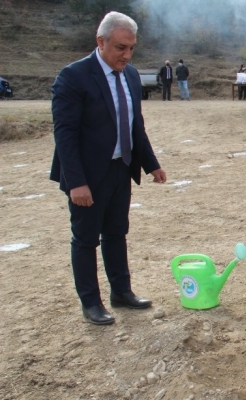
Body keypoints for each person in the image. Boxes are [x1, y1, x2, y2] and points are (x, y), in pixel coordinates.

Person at [50, 11, 167, 325]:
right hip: (87, 175)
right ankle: (91, 302)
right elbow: (65, 135)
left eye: (131, 48)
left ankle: (121, 292)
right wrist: (76, 182)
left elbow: (135, 126)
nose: (127, 55)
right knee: (86, 239)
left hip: (120, 168)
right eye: (120, 48)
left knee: (116, 233)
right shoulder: (73, 76)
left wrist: (151, 164)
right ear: (100, 42)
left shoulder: (130, 75)